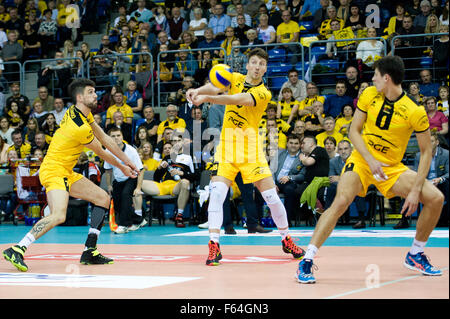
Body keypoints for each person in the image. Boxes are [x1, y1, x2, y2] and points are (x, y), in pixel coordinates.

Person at [296, 56, 444, 284]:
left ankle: (415, 253)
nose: (372, 79)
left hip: (392, 168)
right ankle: (306, 260)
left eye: (375, 75)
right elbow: (354, 131)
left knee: (435, 198)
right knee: (341, 201)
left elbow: (426, 152)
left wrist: (415, 191)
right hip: (363, 161)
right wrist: (370, 160)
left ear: (386, 78)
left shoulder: (414, 111)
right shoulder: (368, 95)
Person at [3, 79, 139, 272]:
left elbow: (105, 137)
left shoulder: (80, 113)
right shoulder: (79, 127)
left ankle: (89, 250)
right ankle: (18, 248)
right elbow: (101, 151)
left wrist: (129, 161)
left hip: (66, 171)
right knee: (59, 215)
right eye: (91, 92)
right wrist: (123, 166)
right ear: (80, 97)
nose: (95, 95)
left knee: (102, 198)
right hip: (53, 170)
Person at [187, 48, 305, 266]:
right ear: (248, 65)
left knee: (271, 197)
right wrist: (198, 90)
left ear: (265, 68)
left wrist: (205, 97)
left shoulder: (264, 94)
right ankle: (214, 245)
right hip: (227, 146)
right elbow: (217, 84)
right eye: (254, 62)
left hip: (250, 148)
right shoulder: (236, 77)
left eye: (262, 63)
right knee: (217, 193)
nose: (258, 66)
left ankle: (286, 238)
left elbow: (234, 99)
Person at [141, 137, 194, 228]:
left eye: (178, 141)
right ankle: (138, 217)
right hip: (163, 185)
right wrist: (160, 168)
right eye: (174, 141)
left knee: (185, 182)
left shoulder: (188, 157)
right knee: (138, 183)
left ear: (182, 142)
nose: (176, 143)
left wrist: (181, 173)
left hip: (177, 185)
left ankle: (179, 216)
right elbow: (156, 178)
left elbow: (195, 176)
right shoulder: (167, 158)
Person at [104, 127, 145, 234]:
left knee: (126, 196)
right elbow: (108, 171)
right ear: (109, 138)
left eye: (118, 135)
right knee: (117, 203)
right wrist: (109, 185)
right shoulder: (107, 151)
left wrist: (138, 187)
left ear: (122, 137)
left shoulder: (131, 151)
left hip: (132, 178)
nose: (116, 138)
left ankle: (124, 225)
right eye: (113, 136)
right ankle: (139, 220)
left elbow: (141, 170)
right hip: (118, 180)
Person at [274, 134, 305, 224]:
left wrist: (289, 177)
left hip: (290, 182)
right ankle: (258, 221)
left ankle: (286, 221)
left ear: (299, 145)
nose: (293, 145)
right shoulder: (279, 153)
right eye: (291, 143)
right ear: (287, 144)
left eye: (296, 143)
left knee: (289, 190)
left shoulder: (303, 157)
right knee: (258, 190)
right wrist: (272, 183)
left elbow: (302, 175)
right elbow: (270, 170)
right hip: (275, 181)